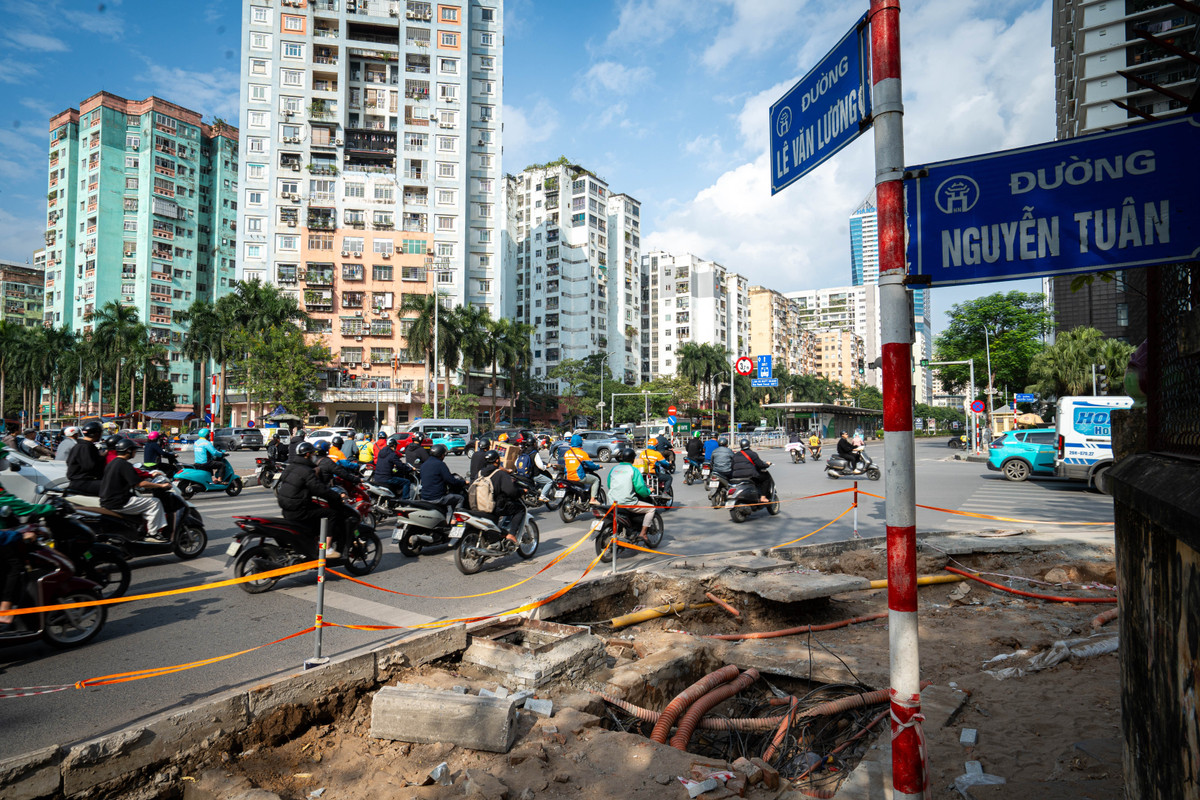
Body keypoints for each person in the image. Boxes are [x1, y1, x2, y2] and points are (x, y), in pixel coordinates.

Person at [276, 441, 352, 559]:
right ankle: (327, 549)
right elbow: (319, 489)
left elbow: (287, 485)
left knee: (317, 510)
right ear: (307, 455)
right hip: (298, 509)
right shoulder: (307, 471)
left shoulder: (290, 467)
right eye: (312, 454)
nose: (313, 456)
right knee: (331, 514)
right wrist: (336, 496)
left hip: (287, 508)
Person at [101, 438, 168, 539]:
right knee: (155, 502)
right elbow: (140, 484)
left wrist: (150, 475)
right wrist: (161, 486)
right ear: (128, 451)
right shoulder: (124, 465)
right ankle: (153, 534)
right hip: (119, 502)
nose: (135, 452)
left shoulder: (112, 463)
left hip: (108, 499)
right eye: (134, 450)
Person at [606, 446, 658, 543]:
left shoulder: (614, 469)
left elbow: (609, 484)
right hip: (627, 502)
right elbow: (640, 489)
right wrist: (649, 491)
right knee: (651, 508)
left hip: (612, 502)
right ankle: (643, 533)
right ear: (633, 459)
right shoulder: (634, 470)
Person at [475, 449, 525, 548]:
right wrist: (521, 491)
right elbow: (511, 491)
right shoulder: (500, 474)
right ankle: (512, 534)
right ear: (497, 461)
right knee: (520, 509)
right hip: (494, 506)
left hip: (478, 505)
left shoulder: (479, 473)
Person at [419, 443, 466, 519]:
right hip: (437, 498)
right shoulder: (440, 464)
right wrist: (463, 482)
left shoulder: (424, 464)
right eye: (443, 455)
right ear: (440, 455)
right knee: (460, 498)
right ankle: (455, 520)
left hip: (424, 497)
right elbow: (451, 480)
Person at [66, 421, 106, 496]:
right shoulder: (85, 447)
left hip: (81, 481)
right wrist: (102, 457)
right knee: (114, 487)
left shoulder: (80, 445)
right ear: (96, 434)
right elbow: (90, 466)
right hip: (83, 482)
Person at [562, 434, 601, 505]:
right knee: (596, 480)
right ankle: (593, 499)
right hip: (578, 477)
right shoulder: (582, 454)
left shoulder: (567, 453)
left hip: (568, 477)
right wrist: (598, 466)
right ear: (580, 442)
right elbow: (591, 465)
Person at [371, 436, 412, 501]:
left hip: (377, 477)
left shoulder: (381, 452)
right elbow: (400, 465)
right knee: (406, 482)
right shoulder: (392, 454)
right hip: (386, 478)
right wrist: (409, 469)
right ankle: (405, 500)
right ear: (393, 445)